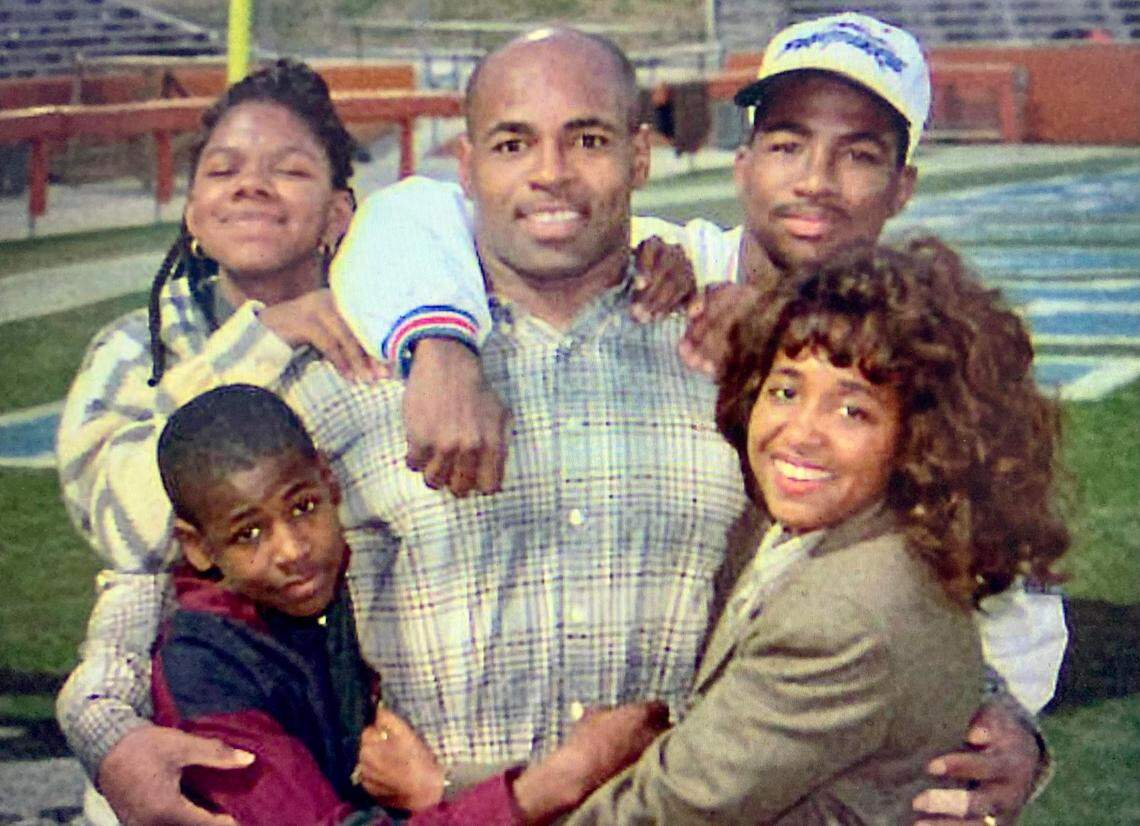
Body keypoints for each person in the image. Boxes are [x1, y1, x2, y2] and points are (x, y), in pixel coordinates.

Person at [73, 27, 1042, 826]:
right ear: (466, 166)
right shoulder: (368, 358)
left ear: (640, 155)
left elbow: (891, 572)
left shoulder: (742, 367)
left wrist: (999, 717)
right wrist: (107, 725)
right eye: (511, 144)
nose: (551, 175)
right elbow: (168, 552)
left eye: (586, 139)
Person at [54, 53, 693, 826]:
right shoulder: (144, 349)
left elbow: (550, 223)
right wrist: (104, 726)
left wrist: (670, 261)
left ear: (339, 213)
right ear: (189, 210)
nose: (251, 186)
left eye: (288, 169)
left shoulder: (390, 315)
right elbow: (145, 560)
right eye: (221, 170)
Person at [560, 238, 1069, 824]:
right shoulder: (796, 526)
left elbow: (662, 813)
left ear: (923, 435)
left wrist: (496, 803)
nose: (801, 432)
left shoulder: (844, 615)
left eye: (853, 410)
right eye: (785, 391)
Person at [151, 383, 664, 826]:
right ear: (197, 546)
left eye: (304, 507)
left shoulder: (345, 572)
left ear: (329, 484)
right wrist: (559, 779)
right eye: (249, 534)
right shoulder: (203, 671)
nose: (292, 549)